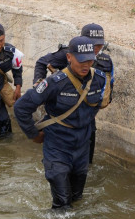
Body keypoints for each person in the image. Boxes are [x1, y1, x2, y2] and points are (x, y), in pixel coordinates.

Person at [14, 36, 107, 210]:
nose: (86, 65)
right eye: (81, 60)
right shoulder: (54, 83)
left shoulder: (99, 79)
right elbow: (21, 107)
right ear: (69, 57)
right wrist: (33, 135)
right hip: (57, 147)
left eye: (90, 60)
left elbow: (96, 106)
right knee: (63, 204)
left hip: (82, 147)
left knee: (77, 197)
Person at [32, 23, 114, 163]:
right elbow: (42, 62)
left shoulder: (105, 61)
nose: (95, 49)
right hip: (61, 114)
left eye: (98, 46)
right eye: (92, 45)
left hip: (86, 118)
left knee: (86, 163)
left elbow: (108, 89)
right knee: (57, 164)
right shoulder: (67, 54)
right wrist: (38, 82)